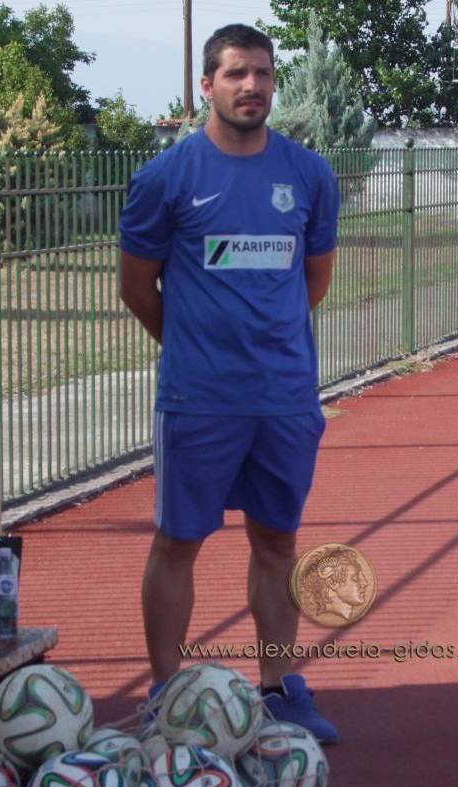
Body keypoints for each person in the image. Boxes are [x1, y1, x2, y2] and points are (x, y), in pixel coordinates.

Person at [118, 23, 340, 744]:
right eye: (238, 73)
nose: (253, 86)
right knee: (177, 541)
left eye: (264, 73)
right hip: (199, 400)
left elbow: (312, 282)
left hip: (283, 398)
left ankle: (277, 690)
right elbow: (137, 288)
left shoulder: (308, 176)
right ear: (207, 85)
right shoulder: (166, 177)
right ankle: (165, 695)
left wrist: (266, 347)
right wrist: (196, 347)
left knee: (278, 543)